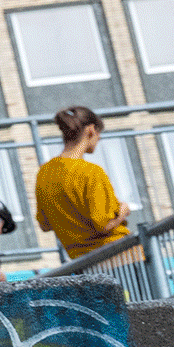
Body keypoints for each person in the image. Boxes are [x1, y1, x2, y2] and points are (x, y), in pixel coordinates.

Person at [33, 104, 136, 268]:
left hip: (82, 264)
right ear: (91, 130)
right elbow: (104, 225)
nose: (99, 138)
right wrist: (123, 210)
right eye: (99, 133)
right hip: (122, 260)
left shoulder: (44, 174)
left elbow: (45, 224)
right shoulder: (91, 172)